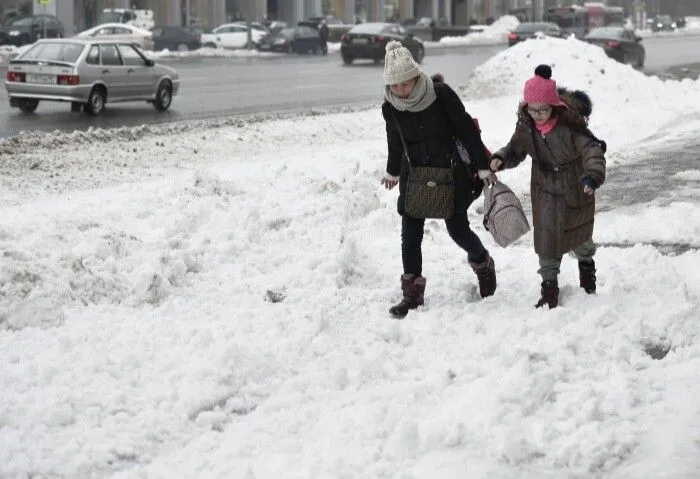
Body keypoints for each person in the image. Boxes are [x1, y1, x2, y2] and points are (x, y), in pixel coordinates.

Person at [380, 41, 497, 319]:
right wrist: (392, 171)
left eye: (404, 84)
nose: (400, 91)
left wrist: (482, 166)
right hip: (415, 175)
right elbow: (395, 141)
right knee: (410, 235)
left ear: (416, 76)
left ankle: (482, 262)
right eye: (394, 86)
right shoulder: (391, 107)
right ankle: (411, 295)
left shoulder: (440, 95)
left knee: (457, 230)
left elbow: (467, 129)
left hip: (450, 173)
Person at [489, 64, 606, 309]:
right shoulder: (526, 127)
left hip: (575, 185)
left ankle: (587, 272)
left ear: (553, 106)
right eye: (532, 109)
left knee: (580, 235)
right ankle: (549, 290)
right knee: (546, 239)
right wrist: (501, 157)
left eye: (543, 109)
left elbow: (592, 150)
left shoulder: (569, 126)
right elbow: (515, 149)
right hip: (544, 189)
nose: (538, 114)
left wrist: (592, 176)